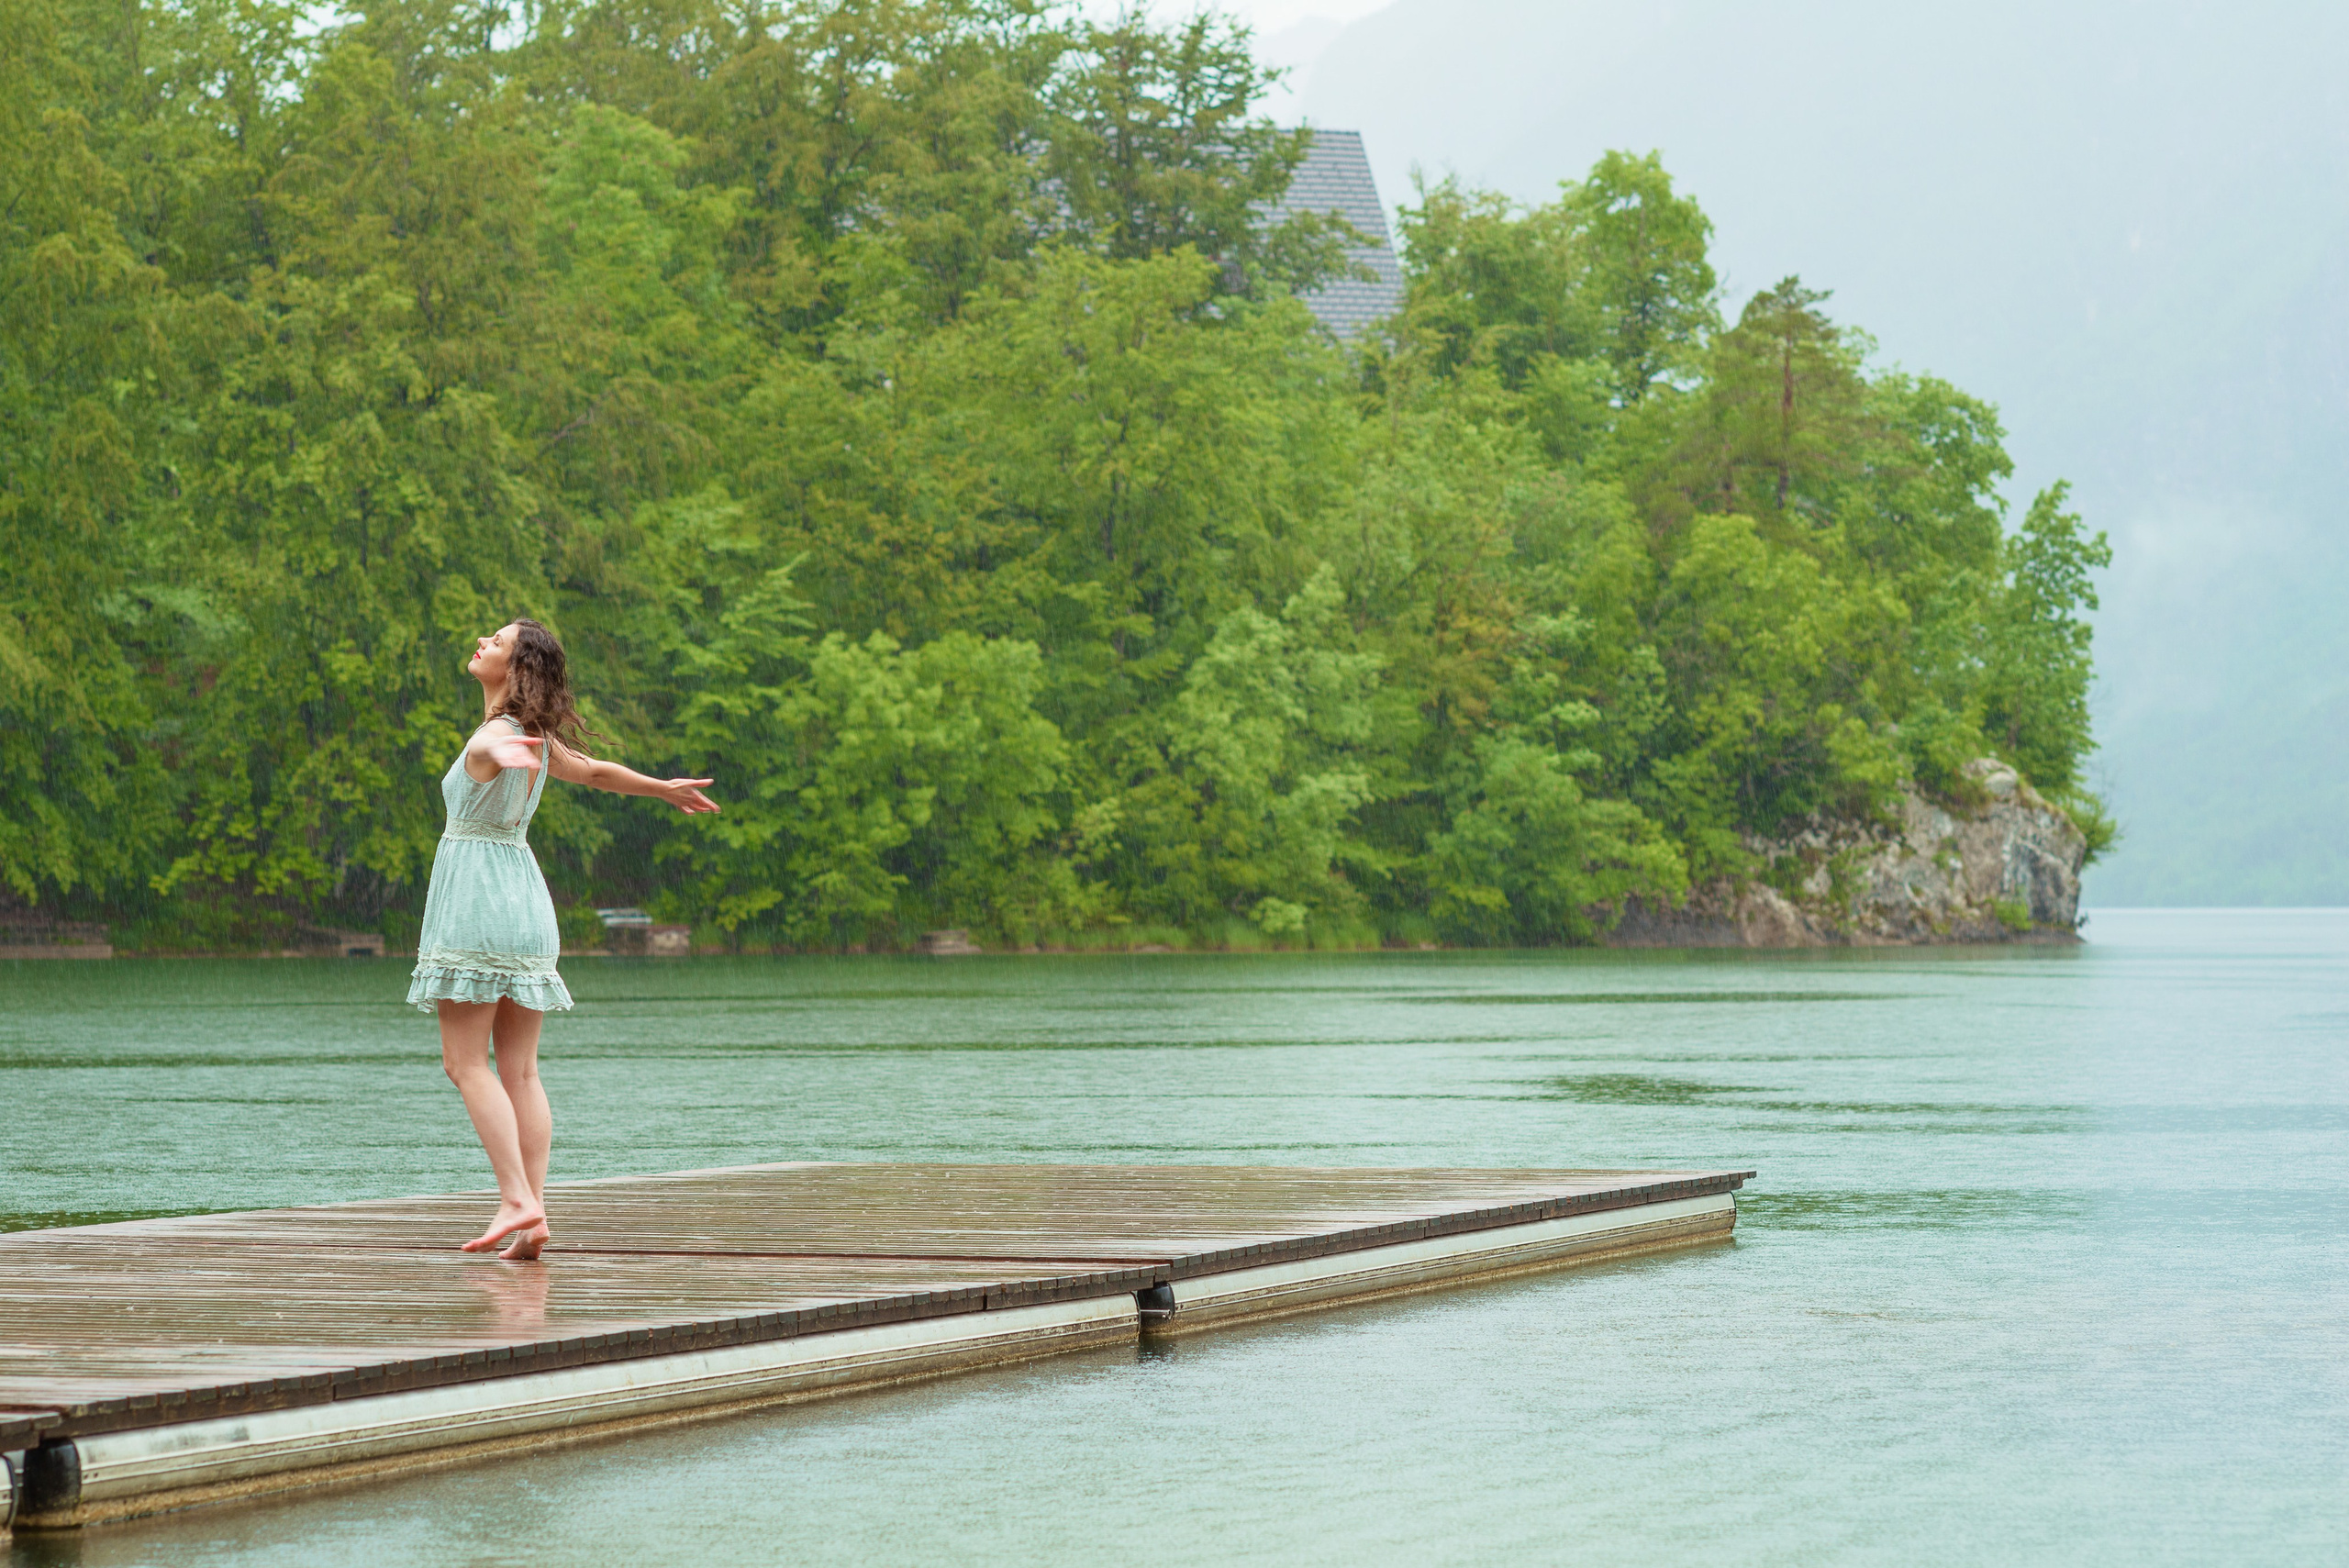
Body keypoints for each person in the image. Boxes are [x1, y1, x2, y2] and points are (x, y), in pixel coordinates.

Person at [406, 619, 718, 1258]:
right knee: (520, 1068)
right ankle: (536, 1214)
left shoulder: (497, 734)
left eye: (494, 641)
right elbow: (596, 772)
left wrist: (504, 753)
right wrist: (662, 787)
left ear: (515, 667)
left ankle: (516, 1197)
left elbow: (493, 753)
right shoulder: (534, 737)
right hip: (524, 901)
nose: (480, 643)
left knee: (465, 1062)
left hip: (478, 902)